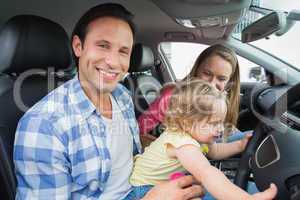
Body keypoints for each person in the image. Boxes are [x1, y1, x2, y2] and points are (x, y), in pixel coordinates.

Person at [13, 3, 203, 199]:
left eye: (123, 51)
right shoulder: (44, 124)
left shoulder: (122, 95)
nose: (113, 61)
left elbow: (125, 156)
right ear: (78, 46)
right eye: (103, 46)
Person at [125, 79, 277, 200]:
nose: (220, 129)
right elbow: (206, 173)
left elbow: (215, 151)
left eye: (220, 122)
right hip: (144, 191)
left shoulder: (196, 134)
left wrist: (240, 145)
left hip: (160, 183)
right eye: (213, 123)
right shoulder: (182, 142)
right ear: (186, 122)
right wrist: (243, 197)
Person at [138, 44, 241, 142]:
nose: (211, 83)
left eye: (221, 79)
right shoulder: (173, 96)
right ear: (197, 69)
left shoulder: (220, 102)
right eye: (207, 73)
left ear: (229, 82)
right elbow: (140, 131)